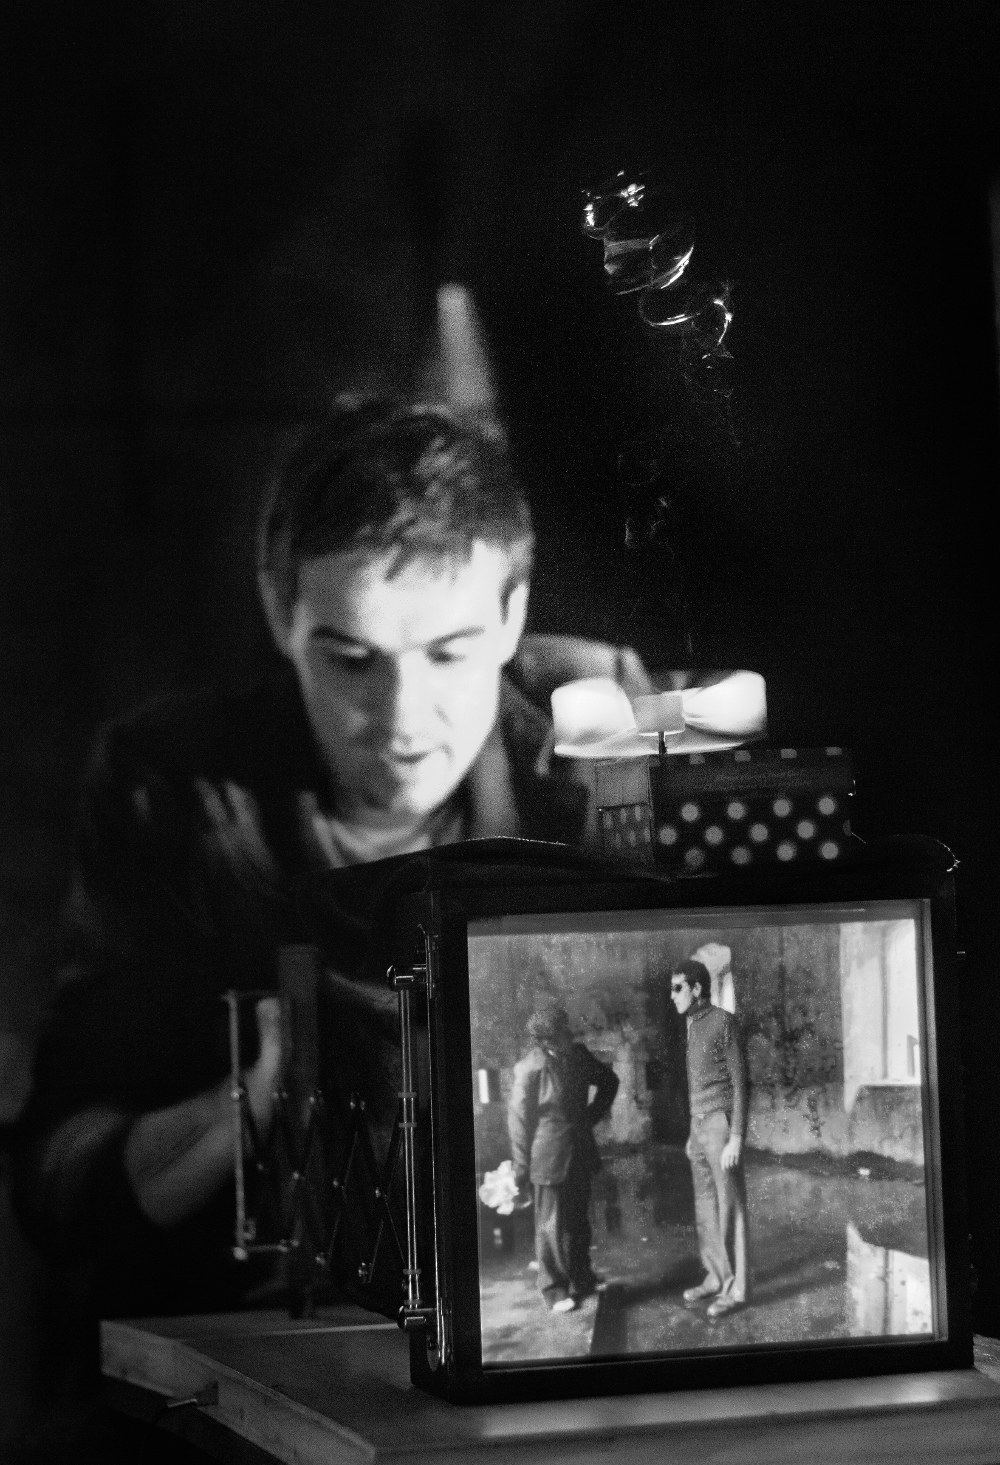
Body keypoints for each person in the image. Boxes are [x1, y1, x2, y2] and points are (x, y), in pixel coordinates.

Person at [11, 398, 655, 1320]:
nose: (401, 718)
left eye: (449, 654)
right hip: (270, 1327)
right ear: (282, 612)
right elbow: (59, 1185)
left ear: (513, 615)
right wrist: (258, 1095)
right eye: (353, 659)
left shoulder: (603, 734)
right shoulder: (172, 785)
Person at [507, 998, 619, 1312]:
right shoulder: (531, 1067)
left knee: (579, 1221)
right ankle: (554, 1289)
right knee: (551, 1225)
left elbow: (610, 1081)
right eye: (562, 1029)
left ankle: (582, 1278)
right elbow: (518, 1119)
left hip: (580, 1151)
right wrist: (521, 1164)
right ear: (548, 1039)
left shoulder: (579, 1056)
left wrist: (590, 1116)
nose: (570, 1033)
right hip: (548, 1155)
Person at [669, 956, 749, 1319]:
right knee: (705, 1206)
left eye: (678, 988)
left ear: (697, 988)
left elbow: (740, 1083)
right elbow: (697, 1085)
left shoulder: (723, 1021)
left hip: (720, 1124)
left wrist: (736, 1136)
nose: (673, 996)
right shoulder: (691, 1025)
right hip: (698, 1126)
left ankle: (738, 1290)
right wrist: (692, 1131)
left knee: (730, 1204)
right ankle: (716, 1276)